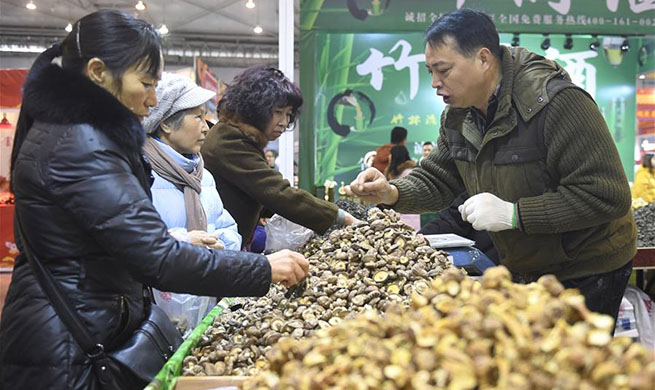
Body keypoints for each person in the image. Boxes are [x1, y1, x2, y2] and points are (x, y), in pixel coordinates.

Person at [0, 10, 308, 390]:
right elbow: (155, 257)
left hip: (85, 322)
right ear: (98, 72)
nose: (151, 99)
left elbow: (118, 240)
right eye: (146, 83)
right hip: (66, 348)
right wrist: (262, 269)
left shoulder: (80, 135)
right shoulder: (79, 146)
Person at [348, 9, 636, 322]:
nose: (435, 82)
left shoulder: (557, 104)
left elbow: (607, 195)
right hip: (527, 264)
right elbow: (439, 180)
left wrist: (515, 214)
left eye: (443, 70)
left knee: (568, 363)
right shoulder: (459, 116)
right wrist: (390, 192)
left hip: (588, 266)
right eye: (430, 71)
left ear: (484, 59)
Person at [201, 66, 357, 246]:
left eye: (288, 114)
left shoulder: (240, 138)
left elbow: (266, 194)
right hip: (220, 246)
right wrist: (341, 217)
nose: (284, 122)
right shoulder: (231, 141)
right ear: (256, 108)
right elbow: (276, 192)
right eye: (278, 112)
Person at [141, 73, 242, 333]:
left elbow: (226, 225)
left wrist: (219, 242)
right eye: (197, 116)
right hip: (154, 317)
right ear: (166, 124)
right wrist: (184, 243)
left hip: (202, 310)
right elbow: (135, 245)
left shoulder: (201, 174)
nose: (207, 126)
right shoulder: (141, 174)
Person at [419, 191, 499, 265]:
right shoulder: (478, 186)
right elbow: (452, 219)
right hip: (478, 267)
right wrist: (417, 239)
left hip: (499, 266)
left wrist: (511, 216)